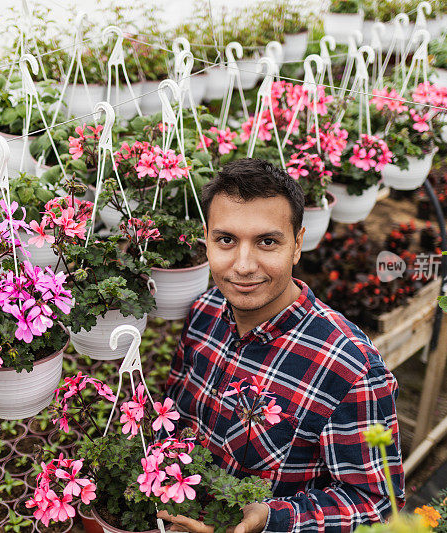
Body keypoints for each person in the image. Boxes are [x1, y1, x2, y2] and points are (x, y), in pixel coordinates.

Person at [158, 158, 404, 533]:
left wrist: (270, 518)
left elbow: (375, 504)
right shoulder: (204, 312)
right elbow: (175, 418)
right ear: (206, 239)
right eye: (226, 240)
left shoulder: (350, 367)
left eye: (267, 242)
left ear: (297, 244)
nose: (242, 265)